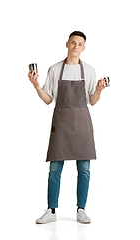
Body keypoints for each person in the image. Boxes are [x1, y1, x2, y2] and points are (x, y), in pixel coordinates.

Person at [28, 31, 106, 224]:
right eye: (73, 43)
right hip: (61, 124)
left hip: (82, 123)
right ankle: (51, 210)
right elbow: (48, 100)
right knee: (55, 168)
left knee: (84, 169)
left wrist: (98, 90)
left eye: (80, 44)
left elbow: (93, 102)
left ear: (83, 48)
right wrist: (37, 86)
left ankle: (81, 209)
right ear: (67, 44)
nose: (76, 46)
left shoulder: (89, 70)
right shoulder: (55, 69)